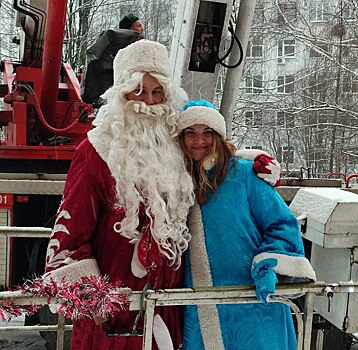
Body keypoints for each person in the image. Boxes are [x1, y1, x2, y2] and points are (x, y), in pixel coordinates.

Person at [44, 40, 194, 350]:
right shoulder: (95, 151)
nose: (147, 102)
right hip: (112, 316)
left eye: (157, 93)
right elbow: (70, 234)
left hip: (168, 310)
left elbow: (217, 161)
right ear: (120, 94)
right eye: (137, 91)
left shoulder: (178, 149)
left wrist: (251, 165)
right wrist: (92, 296)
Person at [177, 99, 316, 350]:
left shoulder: (244, 174)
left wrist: (269, 263)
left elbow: (282, 224)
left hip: (254, 300)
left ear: (218, 135)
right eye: (191, 132)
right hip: (199, 308)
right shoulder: (173, 180)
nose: (199, 140)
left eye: (207, 132)